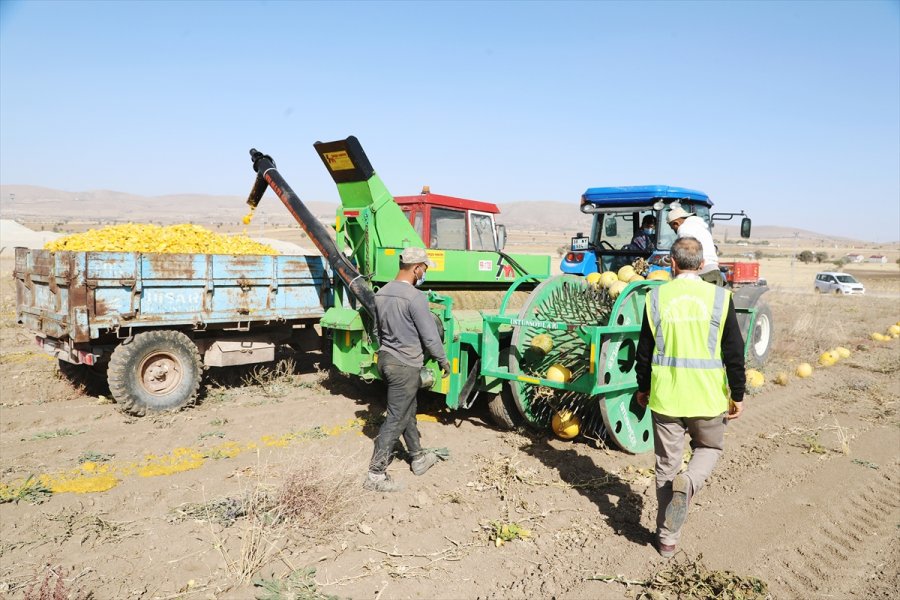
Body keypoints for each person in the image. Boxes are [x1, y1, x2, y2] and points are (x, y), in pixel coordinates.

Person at [635, 237, 746, 558]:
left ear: (672, 263)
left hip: (667, 397)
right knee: (709, 448)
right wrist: (737, 393)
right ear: (701, 266)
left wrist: (643, 388)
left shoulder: (655, 298)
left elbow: (644, 353)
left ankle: (667, 540)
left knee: (665, 468)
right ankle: (691, 482)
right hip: (707, 397)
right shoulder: (720, 299)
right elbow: (734, 353)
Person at [364, 246, 452, 492]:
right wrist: (443, 360)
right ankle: (375, 474)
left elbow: (376, 331)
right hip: (405, 365)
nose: (424, 273)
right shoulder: (415, 297)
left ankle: (418, 457)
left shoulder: (381, 293)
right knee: (395, 417)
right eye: (424, 268)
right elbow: (430, 336)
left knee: (407, 410)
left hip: (386, 360)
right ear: (416, 268)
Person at [666, 207, 723, 286]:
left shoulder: (684, 229)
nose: (674, 231)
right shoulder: (700, 227)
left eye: (673, 228)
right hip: (714, 271)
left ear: (676, 223)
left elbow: (685, 253)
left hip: (704, 274)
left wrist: (667, 260)